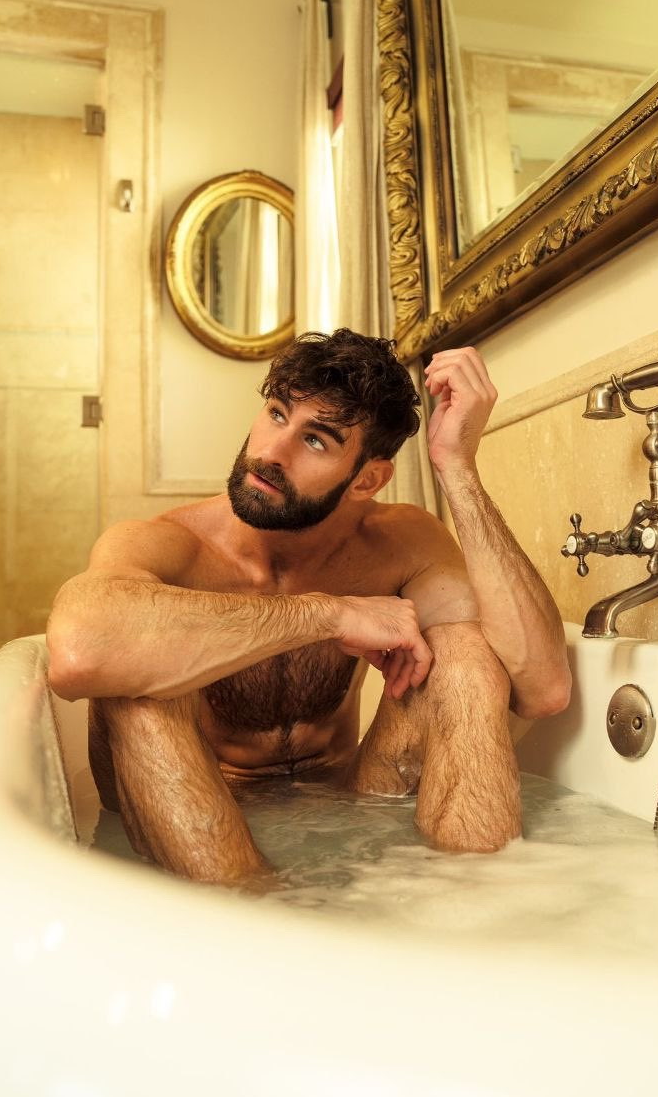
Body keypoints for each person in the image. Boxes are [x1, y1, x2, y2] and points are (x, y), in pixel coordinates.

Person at [47, 329, 570, 885]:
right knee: (137, 675)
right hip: (192, 809)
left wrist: (456, 468)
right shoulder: (169, 544)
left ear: (367, 479)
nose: (272, 452)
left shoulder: (399, 542)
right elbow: (80, 652)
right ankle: (249, 913)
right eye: (276, 413)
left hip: (344, 800)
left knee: (462, 649)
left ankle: (477, 903)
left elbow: (542, 688)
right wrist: (330, 614)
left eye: (316, 441)